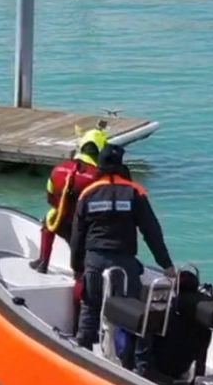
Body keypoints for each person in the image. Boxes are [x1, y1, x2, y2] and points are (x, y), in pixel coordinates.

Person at [67, 145, 173, 368]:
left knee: (90, 308)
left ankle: (82, 358)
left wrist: (76, 266)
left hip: (95, 260)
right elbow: (152, 231)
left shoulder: (87, 193)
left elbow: (77, 235)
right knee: (131, 313)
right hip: (125, 262)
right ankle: (132, 366)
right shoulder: (135, 192)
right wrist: (166, 264)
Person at [33, 127, 108, 273]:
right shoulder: (98, 176)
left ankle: (43, 262)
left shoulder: (58, 169)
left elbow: (50, 197)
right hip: (84, 229)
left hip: (61, 222)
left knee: (49, 220)